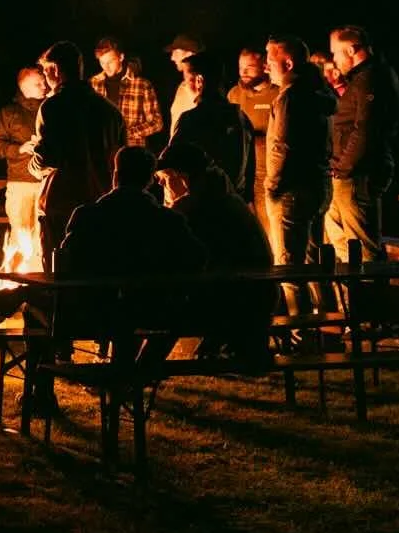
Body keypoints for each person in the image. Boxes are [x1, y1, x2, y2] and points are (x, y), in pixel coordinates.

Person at [54, 144, 207, 375]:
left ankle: (41, 394)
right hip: (154, 311)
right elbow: (197, 258)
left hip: (92, 313)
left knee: (33, 313)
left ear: (115, 176)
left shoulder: (87, 215)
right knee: (175, 317)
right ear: (149, 180)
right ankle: (139, 373)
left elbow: (67, 263)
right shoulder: (168, 221)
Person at [157, 137, 275, 364]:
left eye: (165, 178)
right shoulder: (226, 198)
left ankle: (135, 374)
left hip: (234, 304)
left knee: (162, 316)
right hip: (255, 299)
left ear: (184, 177)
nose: (161, 185)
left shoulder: (193, 209)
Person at [27, 40, 126, 270]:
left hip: (61, 205)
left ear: (55, 70)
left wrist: (32, 165)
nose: (45, 77)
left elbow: (47, 157)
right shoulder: (110, 111)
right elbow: (122, 160)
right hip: (101, 203)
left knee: (59, 272)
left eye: (45, 71)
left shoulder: (53, 107)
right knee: (96, 271)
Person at [263, 36, 337, 315]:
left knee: (289, 269)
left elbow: (282, 145)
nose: (266, 66)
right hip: (318, 185)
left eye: (270, 60)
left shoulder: (291, 96)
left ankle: (302, 337)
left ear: (288, 63)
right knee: (315, 261)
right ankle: (329, 325)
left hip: (291, 190)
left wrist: (273, 186)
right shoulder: (319, 94)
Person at [324, 24, 399, 262]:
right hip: (346, 173)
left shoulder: (372, 78)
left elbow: (366, 129)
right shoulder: (362, 78)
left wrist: (343, 167)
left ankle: (369, 294)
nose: (334, 60)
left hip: (357, 175)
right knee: (342, 243)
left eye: (336, 53)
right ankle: (349, 296)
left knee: (362, 245)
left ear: (351, 50)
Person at [0, 65, 48, 267]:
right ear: (25, 87)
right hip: (20, 183)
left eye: (44, 81)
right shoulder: (10, 113)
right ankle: (14, 286)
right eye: (38, 83)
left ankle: (40, 286)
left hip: (47, 183)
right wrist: (20, 149)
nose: (44, 85)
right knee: (21, 237)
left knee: (43, 238)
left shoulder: (52, 110)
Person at [166, 55, 241, 185]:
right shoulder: (240, 118)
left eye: (187, 80)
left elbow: (170, 159)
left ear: (199, 81)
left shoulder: (191, 119)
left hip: (201, 198)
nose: (185, 86)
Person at [91, 35, 164, 153]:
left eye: (110, 61)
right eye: (102, 62)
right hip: (102, 154)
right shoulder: (93, 84)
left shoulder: (142, 85)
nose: (106, 66)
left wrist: (127, 133)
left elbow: (156, 122)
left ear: (121, 57)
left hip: (133, 154)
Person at [228, 46, 277, 207]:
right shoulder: (234, 94)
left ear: (264, 67)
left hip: (268, 171)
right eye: (241, 68)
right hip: (243, 172)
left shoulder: (277, 94)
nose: (244, 72)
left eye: (249, 68)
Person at [164, 33, 204, 136]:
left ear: (189, 54)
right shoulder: (182, 87)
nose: (172, 58)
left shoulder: (203, 89)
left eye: (176, 52)